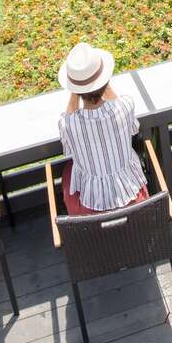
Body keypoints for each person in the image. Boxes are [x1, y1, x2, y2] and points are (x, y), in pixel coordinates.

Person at [57, 41, 149, 216]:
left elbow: (68, 123)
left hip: (89, 209)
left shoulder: (70, 124)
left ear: (75, 90)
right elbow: (129, 123)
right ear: (105, 81)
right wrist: (100, 82)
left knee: (69, 170)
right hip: (133, 199)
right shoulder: (126, 106)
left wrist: (76, 90)